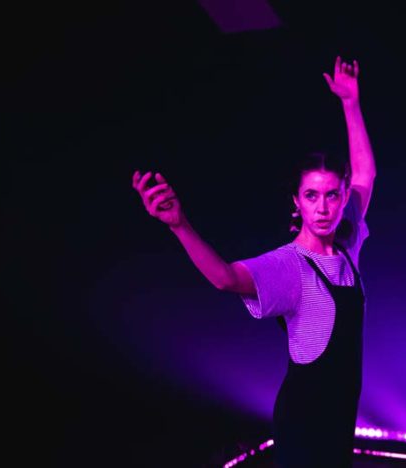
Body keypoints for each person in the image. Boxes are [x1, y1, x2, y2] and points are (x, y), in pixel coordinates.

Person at [132, 56, 376, 468]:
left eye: (332, 195)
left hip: (340, 422)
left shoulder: (348, 245)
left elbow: (365, 175)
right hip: (304, 424)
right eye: (311, 196)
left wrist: (350, 104)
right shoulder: (290, 266)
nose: (323, 206)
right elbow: (225, 278)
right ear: (296, 202)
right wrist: (179, 225)